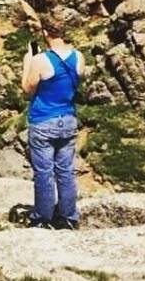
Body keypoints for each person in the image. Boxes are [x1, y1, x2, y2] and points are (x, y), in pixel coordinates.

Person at [20, 16, 82, 230]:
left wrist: (28, 61)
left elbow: (27, 90)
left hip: (43, 120)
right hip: (68, 119)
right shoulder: (78, 57)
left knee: (44, 172)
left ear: (46, 33)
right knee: (65, 170)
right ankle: (68, 217)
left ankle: (42, 218)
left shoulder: (41, 60)